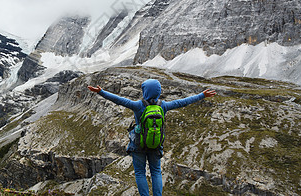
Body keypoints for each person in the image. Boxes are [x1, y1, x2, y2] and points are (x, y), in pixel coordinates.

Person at [88, 79, 216, 196]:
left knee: (140, 172)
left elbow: (119, 100)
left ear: (145, 91)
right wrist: (202, 95)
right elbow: (182, 102)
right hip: (156, 145)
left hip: (138, 145)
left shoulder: (138, 105)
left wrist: (101, 92)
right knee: (156, 172)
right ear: (158, 92)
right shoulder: (163, 105)